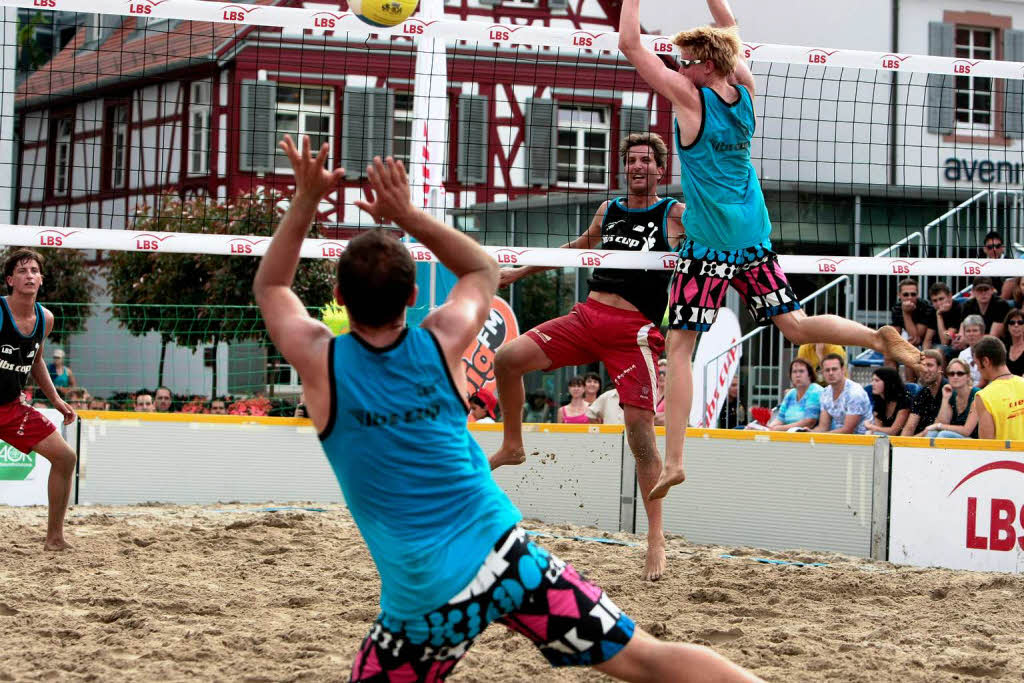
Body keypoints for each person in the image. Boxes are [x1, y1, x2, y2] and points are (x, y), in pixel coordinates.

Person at [252, 137, 761, 683]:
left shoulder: (321, 365)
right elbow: (480, 274)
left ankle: (644, 526)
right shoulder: (440, 342)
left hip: (426, 603)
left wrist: (306, 198)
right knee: (647, 658)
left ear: (337, 295)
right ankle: (514, 445)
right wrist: (407, 213)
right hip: (510, 561)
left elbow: (272, 284)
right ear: (409, 302)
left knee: (636, 431)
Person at [617, 0, 924, 501]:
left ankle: (674, 459)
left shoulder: (691, 100)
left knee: (679, 347)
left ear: (707, 65)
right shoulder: (745, 92)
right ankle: (877, 336)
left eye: (686, 60)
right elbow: (730, 28)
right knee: (795, 325)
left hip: (710, 245)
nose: (679, 66)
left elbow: (630, 44)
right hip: (754, 237)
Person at [491, 131, 686, 581]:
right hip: (587, 316)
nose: (638, 166)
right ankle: (513, 444)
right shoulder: (609, 210)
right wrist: (518, 272)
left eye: (646, 161)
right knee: (507, 359)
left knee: (639, 434)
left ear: (660, 169)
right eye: (632, 160)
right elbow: (576, 249)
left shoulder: (674, 215)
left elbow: (709, 246)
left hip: (633, 331)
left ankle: (655, 536)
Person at [0, 249, 77, 550]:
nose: (29, 275)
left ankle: (54, 538)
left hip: (11, 408)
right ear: (10, 280)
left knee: (65, 457)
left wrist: (56, 400)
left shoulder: (45, 319)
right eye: (22, 271)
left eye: (34, 270)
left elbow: (36, 360)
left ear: (41, 279)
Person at [974, 335, 1024, 440]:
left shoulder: (984, 396)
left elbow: (987, 445)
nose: (977, 369)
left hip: (1007, 456)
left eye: (976, 363)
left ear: (985, 361)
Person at [750, 358, 821, 431]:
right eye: (794, 372)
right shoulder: (791, 394)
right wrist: (768, 428)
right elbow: (780, 419)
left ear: (810, 375)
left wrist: (780, 429)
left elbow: (809, 422)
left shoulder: (815, 390)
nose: (797, 375)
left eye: (801, 371)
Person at [814, 354, 872, 434]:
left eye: (834, 369)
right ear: (823, 373)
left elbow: (848, 430)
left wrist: (821, 436)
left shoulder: (855, 393)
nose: (830, 373)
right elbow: (823, 427)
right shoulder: (825, 392)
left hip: (862, 440)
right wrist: (808, 433)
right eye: (827, 370)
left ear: (843, 370)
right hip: (838, 438)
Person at [924, 358, 979, 439]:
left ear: (968, 376)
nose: (955, 377)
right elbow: (942, 422)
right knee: (932, 433)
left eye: (960, 373)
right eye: (951, 374)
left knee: (943, 435)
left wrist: (939, 426)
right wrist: (945, 399)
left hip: (976, 440)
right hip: (959, 438)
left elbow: (967, 431)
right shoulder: (952, 394)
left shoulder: (976, 394)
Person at [901, 350, 948, 437]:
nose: (925, 370)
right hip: (922, 442)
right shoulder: (922, 394)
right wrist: (900, 445)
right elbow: (910, 427)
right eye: (922, 366)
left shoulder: (948, 390)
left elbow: (937, 427)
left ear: (939, 368)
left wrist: (911, 442)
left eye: (930, 365)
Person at [863, 367, 911, 436]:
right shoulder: (879, 400)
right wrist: (873, 428)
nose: (872, 384)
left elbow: (894, 431)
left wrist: (871, 427)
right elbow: (879, 428)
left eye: (877, 381)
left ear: (888, 382)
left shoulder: (904, 401)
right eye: (872, 380)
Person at [890, 279, 934, 350]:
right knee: (889, 354)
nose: (909, 297)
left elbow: (916, 338)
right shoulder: (897, 308)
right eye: (905, 295)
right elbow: (896, 335)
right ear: (899, 295)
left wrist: (906, 313)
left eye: (913, 294)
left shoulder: (926, 307)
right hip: (910, 341)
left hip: (931, 342)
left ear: (917, 294)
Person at [928, 281, 964, 360]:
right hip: (935, 346)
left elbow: (945, 340)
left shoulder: (957, 309)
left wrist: (939, 316)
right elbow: (927, 339)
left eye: (941, 299)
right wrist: (923, 355)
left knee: (939, 351)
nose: (938, 303)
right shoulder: (932, 311)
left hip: (952, 347)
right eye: (935, 300)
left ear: (950, 296)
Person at [980, 231, 1017, 300]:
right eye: (990, 247)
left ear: (1003, 248)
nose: (994, 249)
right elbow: (979, 290)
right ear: (984, 249)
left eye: (997, 246)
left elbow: (1005, 296)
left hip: (1008, 302)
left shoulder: (1010, 263)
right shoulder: (979, 264)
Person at [957, 315, 986, 387]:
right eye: (968, 331)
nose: (971, 334)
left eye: (975, 330)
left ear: (982, 333)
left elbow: (984, 382)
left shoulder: (989, 352)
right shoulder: (962, 354)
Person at [1003, 309, 1024, 376]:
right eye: (1012, 323)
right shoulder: (1003, 349)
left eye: (1020, 322)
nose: (1016, 325)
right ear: (1007, 327)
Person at [654, 359, 667, 426]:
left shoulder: (674, 396)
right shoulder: (651, 393)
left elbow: (668, 419)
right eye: (659, 373)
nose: (661, 376)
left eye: (665, 373)